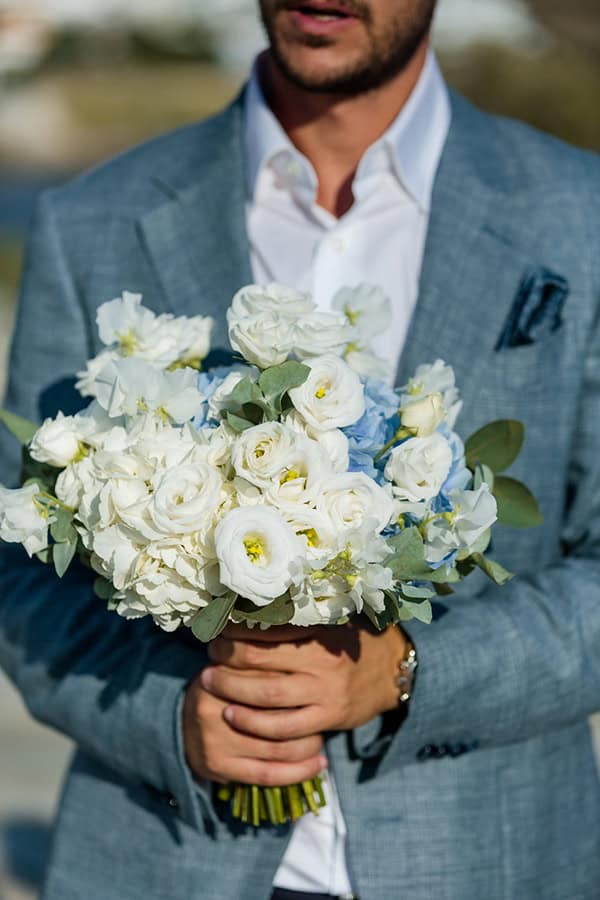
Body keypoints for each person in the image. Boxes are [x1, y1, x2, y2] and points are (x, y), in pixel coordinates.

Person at [1, 1, 599, 898]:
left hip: (493, 861)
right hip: (161, 860)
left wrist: (410, 671)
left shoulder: (581, 213)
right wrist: (169, 717)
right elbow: (20, 567)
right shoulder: (90, 219)